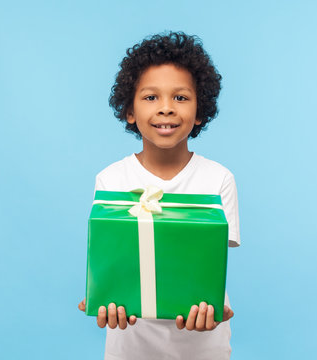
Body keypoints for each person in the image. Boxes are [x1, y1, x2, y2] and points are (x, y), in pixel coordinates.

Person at [78, 31, 240, 360]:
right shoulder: (110, 179)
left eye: (180, 98)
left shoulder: (218, 179)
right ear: (130, 110)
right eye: (151, 97)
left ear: (200, 112)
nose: (166, 109)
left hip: (204, 347)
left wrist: (214, 308)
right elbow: (110, 262)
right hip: (130, 348)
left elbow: (208, 266)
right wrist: (100, 298)